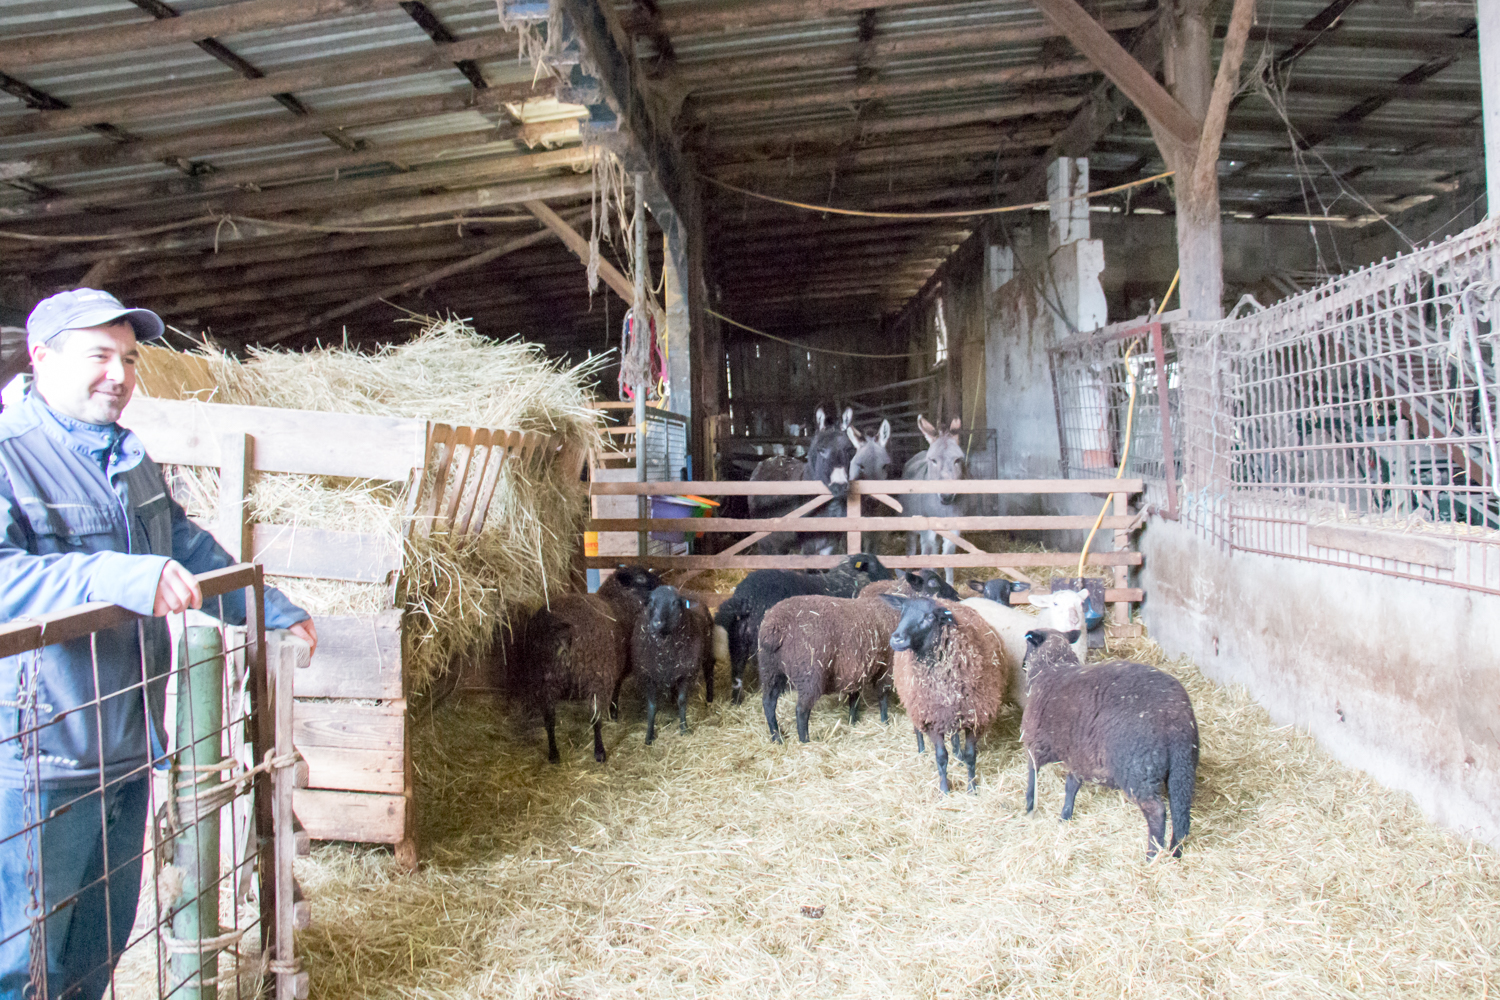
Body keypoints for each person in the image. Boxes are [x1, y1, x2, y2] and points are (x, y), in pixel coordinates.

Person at [0, 289, 317, 1000]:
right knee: (22, 964)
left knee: (97, 950)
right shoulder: (9, 455)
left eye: (129, 358)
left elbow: (178, 543)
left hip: (126, 748)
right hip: (36, 762)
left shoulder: (125, 457)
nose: (118, 374)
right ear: (40, 357)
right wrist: (116, 576)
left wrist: (268, 609)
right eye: (99, 356)